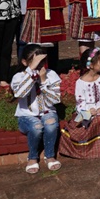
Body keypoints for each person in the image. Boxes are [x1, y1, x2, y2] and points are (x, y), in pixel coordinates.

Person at [60, 48, 100, 158]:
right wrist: (88, 112)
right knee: (90, 123)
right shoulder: (80, 82)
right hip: (86, 112)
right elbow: (80, 102)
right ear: (91, 65)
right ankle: (92, 147)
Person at [11, 44, 62, 174]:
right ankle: (32, 157)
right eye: (36, 63)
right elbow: (20, 94)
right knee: (37, 127)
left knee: (51, 124)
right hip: (26, 115)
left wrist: (44, 81)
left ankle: (49, 155)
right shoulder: (18, 77)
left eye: (42, 62)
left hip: (47, 111)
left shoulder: (51, 75)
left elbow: (55, 100)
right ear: (24, 62)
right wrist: (31, 73)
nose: (40, 66)